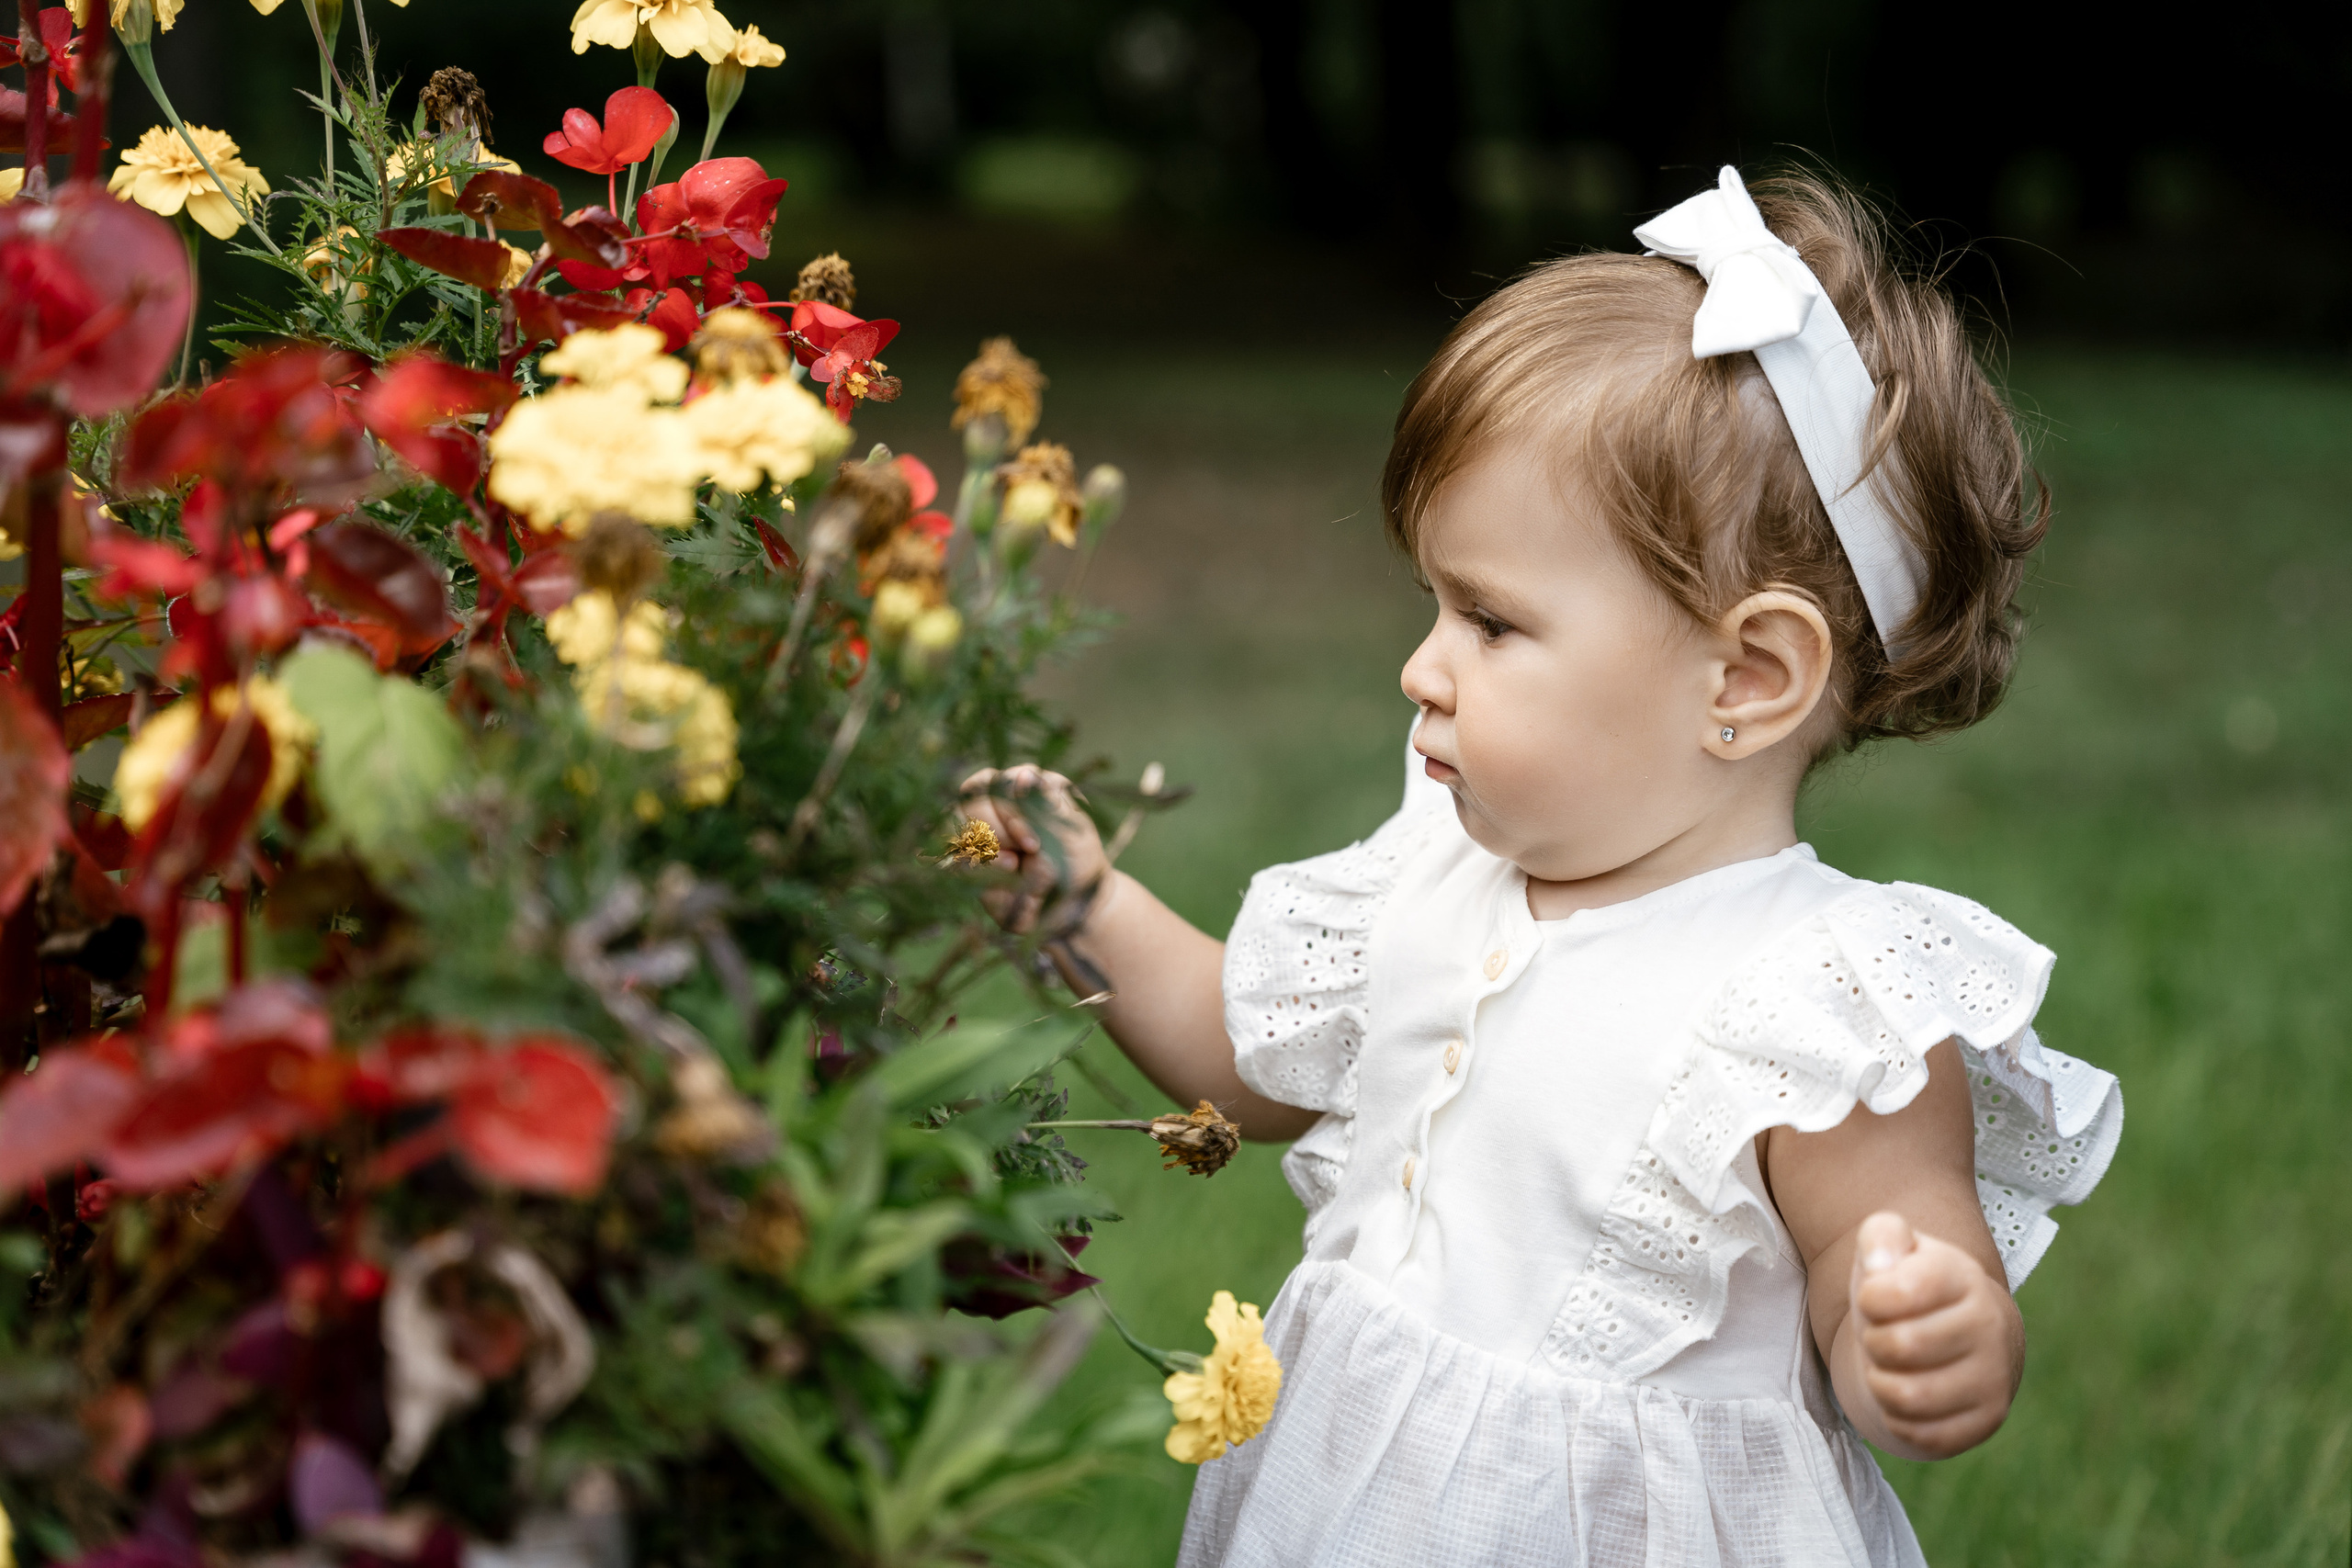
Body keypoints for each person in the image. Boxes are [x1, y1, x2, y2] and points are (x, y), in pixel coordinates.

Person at [958, 165, 2122, 1567]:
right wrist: (1086, 907)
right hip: (1344, 1490)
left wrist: (1927, 1324)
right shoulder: (1431, 873)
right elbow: (1245, 1059)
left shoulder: (1814, 1007)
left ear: (1746, 677)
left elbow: (1895, 1236)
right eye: (1433, 605)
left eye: (1491, 624)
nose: (1421, 669)